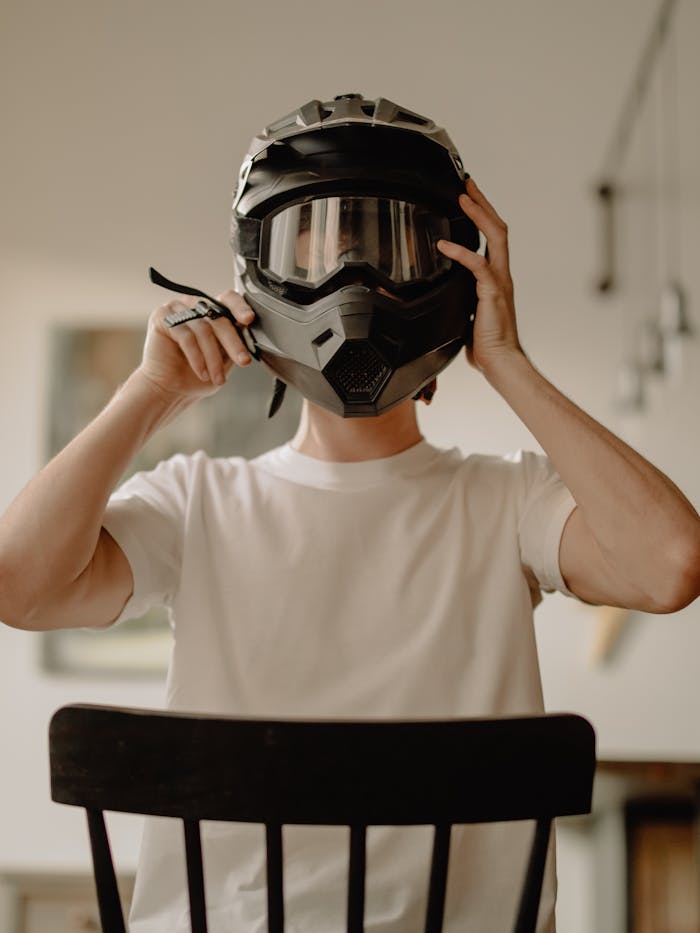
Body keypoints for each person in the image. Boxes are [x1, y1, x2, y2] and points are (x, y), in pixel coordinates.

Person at [1, 93, 699, 933]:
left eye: (388, 249)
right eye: (318, 250)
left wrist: (508, 361)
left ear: (457, 279)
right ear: (255, 281)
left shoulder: (511, 499)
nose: (352, 282)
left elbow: (670, 564)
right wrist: (151, 392)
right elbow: (20, 585)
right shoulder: (198, 505)